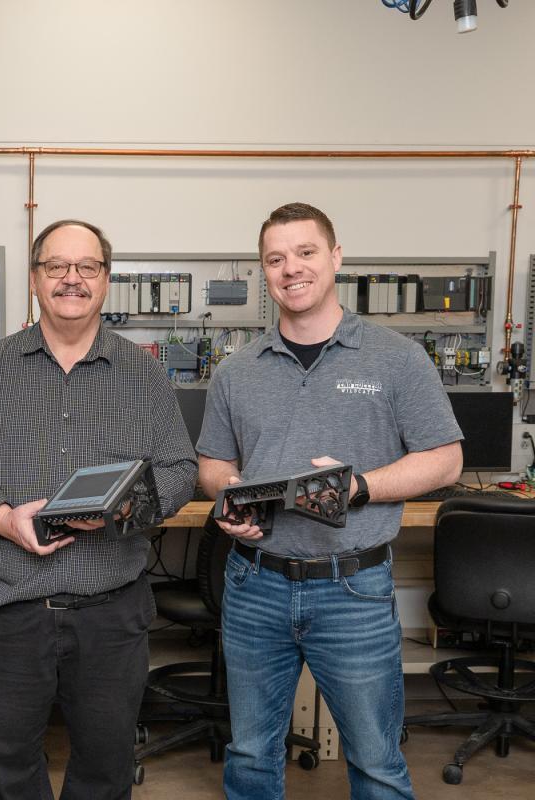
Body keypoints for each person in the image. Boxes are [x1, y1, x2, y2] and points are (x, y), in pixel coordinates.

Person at [197, 202, 463, 800]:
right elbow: (212, 463)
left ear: (336, 257)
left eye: (306, 252)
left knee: (374, 760)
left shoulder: (397, 358)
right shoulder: (238, 370)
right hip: (253, 586)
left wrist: (359, 487)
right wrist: (230, 498)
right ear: (264, 272)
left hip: (353, 590)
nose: (291, 268)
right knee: (250, 757)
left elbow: (446, 458)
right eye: (276, 258)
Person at [0, 219, 197, 799]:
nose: (71, 279)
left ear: (106, 279)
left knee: (105, 772)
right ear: (35, 279)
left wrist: (125, 510)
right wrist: (2, 517)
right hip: (8, 608)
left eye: (87, 267)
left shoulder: (143, 372)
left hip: (111, 611)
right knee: (5, 768)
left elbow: (180, 469)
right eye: (56, 267)